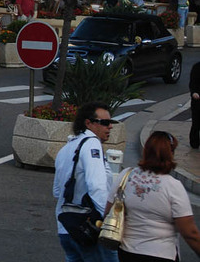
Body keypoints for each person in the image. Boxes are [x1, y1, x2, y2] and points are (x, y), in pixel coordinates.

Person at [105, 131, 200, 261]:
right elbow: (189, 232)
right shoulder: (172, 186)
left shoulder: (126, 176)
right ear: (170, 154)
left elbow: (108, 213)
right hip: (161, 254)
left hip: (128, 251)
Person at [53, 101, 118, 262]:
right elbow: (97, 186)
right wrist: (110, 222)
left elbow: (56, 190)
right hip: (88, 228)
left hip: (66, 228)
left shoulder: (67, 147)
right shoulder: (92, 144)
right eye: (104, 123)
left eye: (111, 122)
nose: (109, 127)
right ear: (88, 123)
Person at [189, 61, 200, 149]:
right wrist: (194, 92)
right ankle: (194, 142)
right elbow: (192, 82)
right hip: (198, 100)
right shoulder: (197, 67)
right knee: (196, 122)